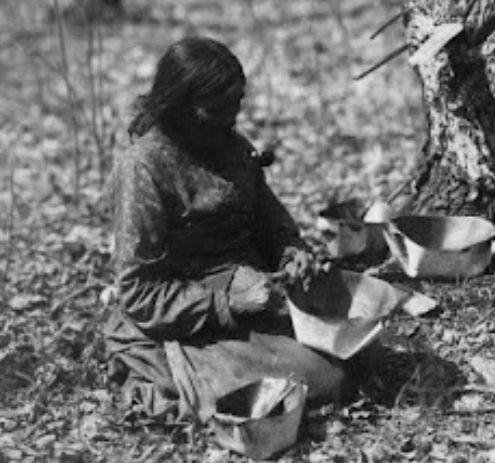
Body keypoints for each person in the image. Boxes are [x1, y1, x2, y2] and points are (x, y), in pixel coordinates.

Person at [104, 37, 344, 424]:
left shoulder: (230, 145)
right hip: (190, 320)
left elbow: (272, 223)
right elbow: (138, 292)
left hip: (258, 296)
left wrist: (291, 253)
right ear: (178, 105)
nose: (231, 117)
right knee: (319, 379)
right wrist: (226, 304)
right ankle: (165, 378)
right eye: (216, 108)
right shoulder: (143, 169)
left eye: (236, 104)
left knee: (356, 347)